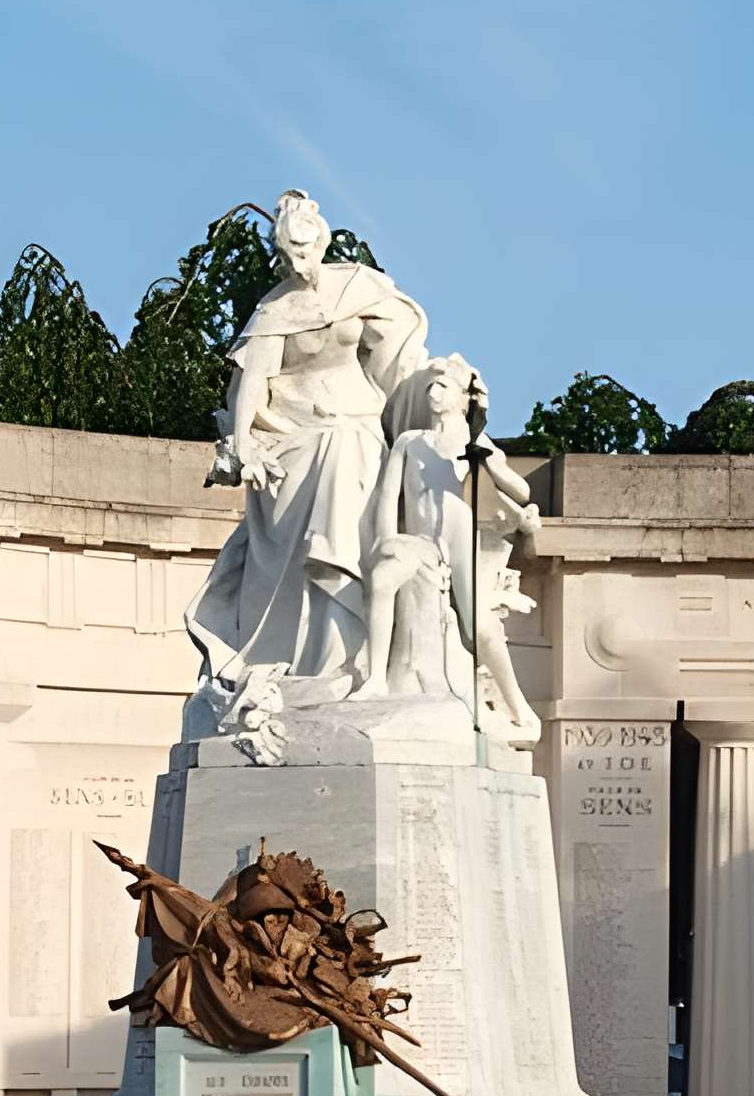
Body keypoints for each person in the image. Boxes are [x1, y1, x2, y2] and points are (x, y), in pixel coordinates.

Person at [184, 191, 429, 710]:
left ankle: (346, 655)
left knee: (349, 461)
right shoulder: (273, 311)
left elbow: (397, 354)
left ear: (322, 242)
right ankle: (310, 660)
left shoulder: (356, 287)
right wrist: (244, 443)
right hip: (297, 436)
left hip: (359, 425)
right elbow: (252, 384)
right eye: (290, 254)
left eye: (307, 250)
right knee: (332, 456)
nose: (300, 263)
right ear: (280, 253)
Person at [352, 353, 544, 739]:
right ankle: (374, 680)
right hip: (418, 542)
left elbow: (521, 490)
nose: (433, 393)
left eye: (442, 387)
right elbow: (388, 496)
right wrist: (386, 539)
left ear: (462, 398)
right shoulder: (410, 441)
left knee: (481, 626)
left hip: (457, 536)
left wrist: (490, 465)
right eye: (430, 387)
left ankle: (520, 708)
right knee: (384, 578)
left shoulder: (475, 441)